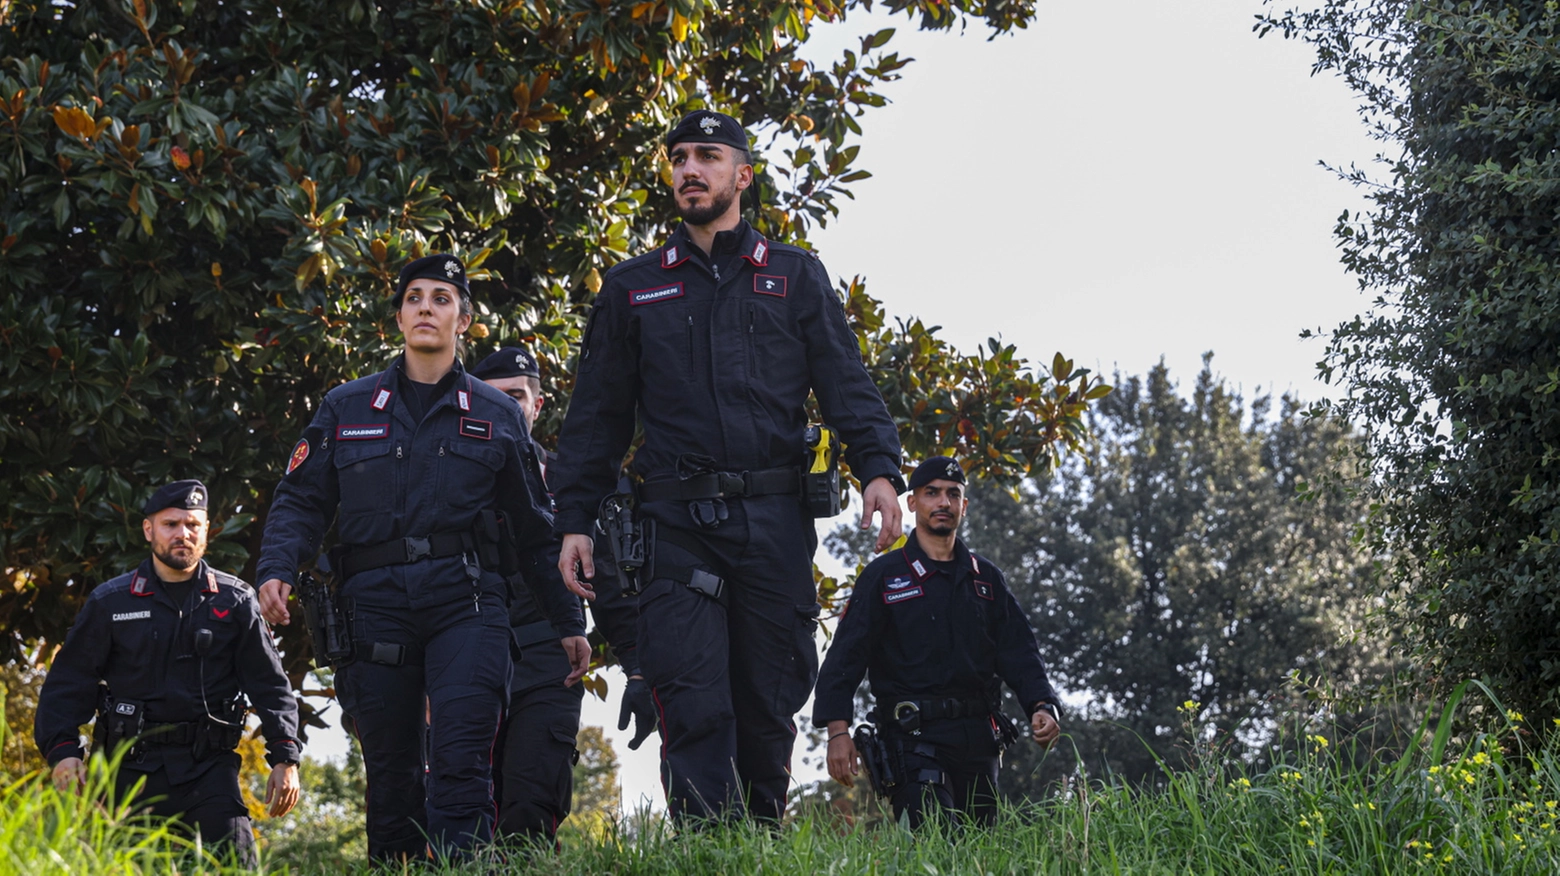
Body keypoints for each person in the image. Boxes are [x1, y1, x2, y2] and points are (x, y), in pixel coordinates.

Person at [549, 109, 907, 824]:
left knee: (769, 697)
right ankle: (707, 847)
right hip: (675, 522)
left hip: (774, 522)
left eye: (707, 156)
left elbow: (846, 384)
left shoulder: (795, 276)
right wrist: (575, 521)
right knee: (691, 693)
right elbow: (596, 419)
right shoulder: (632, 289)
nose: (689, 169)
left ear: (741, 175)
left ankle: (761, 841)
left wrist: (879, 470)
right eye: (679, 156)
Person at [253, 256, 589, 861]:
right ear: (400, 316)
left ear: (464, 318)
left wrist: (566, 623)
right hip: (371, 608)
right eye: (415, 298)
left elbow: (536, 532)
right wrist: (276, 568)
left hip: (468, 606)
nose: (427, 308)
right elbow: (301, 498)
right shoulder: (345, 407)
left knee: (462, 767)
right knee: (392, 780)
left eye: (442, 298)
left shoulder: (497, 414)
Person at [35, 479, 302, 866]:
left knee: (238, 866)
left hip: (209, 770)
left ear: (208, 529)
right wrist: (62, 752)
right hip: (127, 771)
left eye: (193, 525)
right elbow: (68, 683)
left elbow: (271, 686)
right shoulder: (111, 602)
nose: (183, 534)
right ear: (149, 530)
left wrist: (286, 757)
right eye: (171, 524)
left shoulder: (236, 601)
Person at [468, 346, 657, 844]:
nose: (506, 408)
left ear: (537, 404)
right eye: (493, 397)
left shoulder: (575, 488)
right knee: (461, 811)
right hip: (457, 658)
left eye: (516, 397)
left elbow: (610, 580)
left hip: (549, 663)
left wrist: (638, 666)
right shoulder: (448, 480)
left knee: (531, 805)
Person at [813, 457, 1062, 828]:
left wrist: (1042, 705)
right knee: (931, 843)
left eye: (953, 494)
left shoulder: (987, 579)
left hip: (979, 738)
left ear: (964, 505)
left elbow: (1020, 650)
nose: (943, 502)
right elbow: (846, 657)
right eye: (932, 493)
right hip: (913, 739)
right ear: (913, 502)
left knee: (979, 854)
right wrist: (838, 732)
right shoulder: (885, 576)